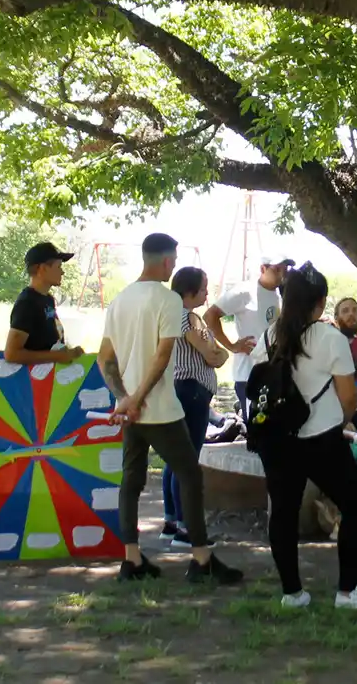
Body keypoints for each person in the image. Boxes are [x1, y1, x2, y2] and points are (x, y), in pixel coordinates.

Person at [97, 233, 243, 585]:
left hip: (132, 411)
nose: (174, 267)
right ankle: (202, 558)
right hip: (159, 407)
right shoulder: (167, 300)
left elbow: (105, 358)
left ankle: (131, 559)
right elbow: (163, 356)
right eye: (173, 262)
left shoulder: (119, 301)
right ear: (165, 262)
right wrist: (137, 398)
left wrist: (123, 398)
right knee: (190, 476)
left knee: (131, 479)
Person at [255, 263, 357, 611]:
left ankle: (292, 593)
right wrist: (342, 421)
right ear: (320, 302)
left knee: (282, 512)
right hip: (320, 437)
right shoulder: (330, 338)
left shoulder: (271, 335)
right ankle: (348, 590)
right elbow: (348, 397)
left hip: (278, 438)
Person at [161, 267, 228, 547]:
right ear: (189, 291)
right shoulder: (188, 318)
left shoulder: (166, 314)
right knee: (187, 462)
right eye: (203, 288)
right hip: (192, 391)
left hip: (176, 389)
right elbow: (212, 355)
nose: (207, 293)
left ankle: (171, 521)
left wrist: (219, 352)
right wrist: (219, 352)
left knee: (174, 459)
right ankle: (186, 529)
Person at [203, 252, 292, 419]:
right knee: (256, 427)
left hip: (275, 371)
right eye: (277, 269)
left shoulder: (282, 294)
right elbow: (210, 316)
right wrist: (231, 346)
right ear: (263, 269)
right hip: (249, 373)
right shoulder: (244, 291)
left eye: (285, 269)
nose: (282, 274)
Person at [5, 242, 84, 365]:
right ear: (42, 269)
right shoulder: (27, 303)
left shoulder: (48, 299)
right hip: (34, 380)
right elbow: (12, 354)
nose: (62, 272)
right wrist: (57, 356)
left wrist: (67, 352)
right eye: (58, 267)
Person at [334, 297, 357, 376]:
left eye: (355, 310)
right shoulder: (329, 342)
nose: (351, 314)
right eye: (345, 311)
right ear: (336, 317)